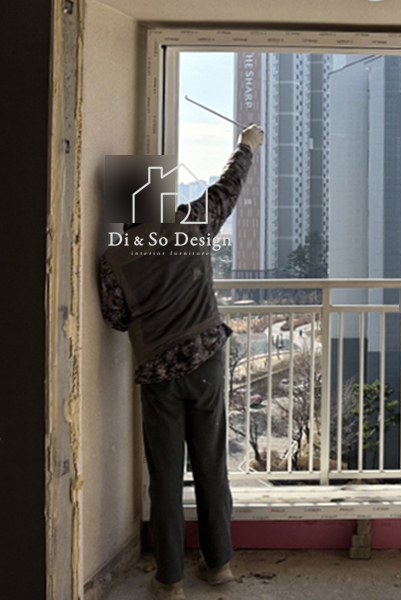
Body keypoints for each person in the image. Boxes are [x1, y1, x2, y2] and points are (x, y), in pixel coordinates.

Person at [99, 125, 264, 600]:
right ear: (162, 195)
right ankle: (219, 565)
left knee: (166, 478)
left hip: (158, 373)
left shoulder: (113, 259)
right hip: (206, 362)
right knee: (211, 465)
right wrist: (246, 145)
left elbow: (116, 319)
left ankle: (169, 580)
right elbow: (228, 188)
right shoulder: (192, 224)